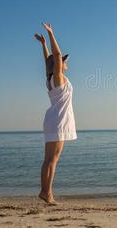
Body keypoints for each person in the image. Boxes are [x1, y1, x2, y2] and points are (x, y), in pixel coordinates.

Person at [34, 23, 77, 205]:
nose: (65, 62)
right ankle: (47, 193)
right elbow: (56, 56)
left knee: (49, 160)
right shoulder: (58, 79)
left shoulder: (50, 78)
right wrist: (51, 34)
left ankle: (45, 191)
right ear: (57, 66)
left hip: (54, 119)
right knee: (52, 160)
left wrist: (43, 45)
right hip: (59, 120)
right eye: (63, 61)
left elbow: (50, 61)